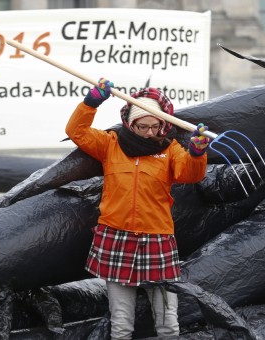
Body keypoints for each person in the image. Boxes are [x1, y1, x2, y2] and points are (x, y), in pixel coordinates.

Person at [65, 79, 209, 339]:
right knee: (121, 325)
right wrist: (90, 103)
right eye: (143, 126)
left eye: (155, 126)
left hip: (158, 239)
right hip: (115, 238)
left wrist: (197, 153)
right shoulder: (110, 143)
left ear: (163, 125)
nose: (149, 133)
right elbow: (77, 131)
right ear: (130, 124)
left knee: (168, 324)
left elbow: (190, 174)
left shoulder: (171, 150)